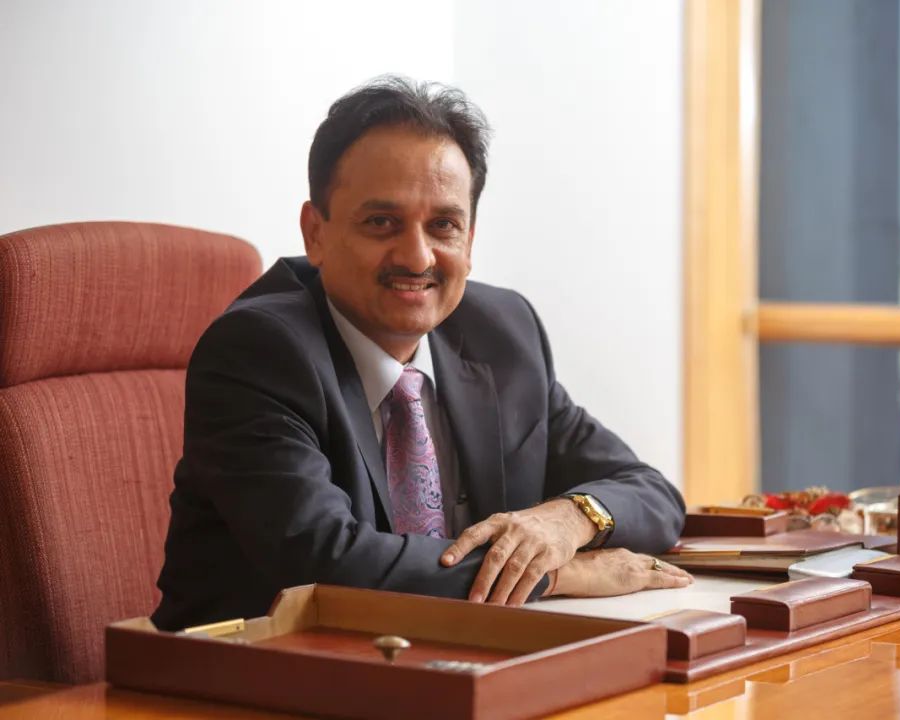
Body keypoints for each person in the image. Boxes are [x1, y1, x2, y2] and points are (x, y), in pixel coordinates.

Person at [152, 76, 689, 631]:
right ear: (315, 233)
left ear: (469, 240)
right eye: (381, 222)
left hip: (462, 660)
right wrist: (558, 574)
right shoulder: (260, 350)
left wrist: (568, 521)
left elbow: (651, 493)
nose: (417, 257)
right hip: (256, 670)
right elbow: (327, 560)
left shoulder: (502, 334)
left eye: (443, 225)